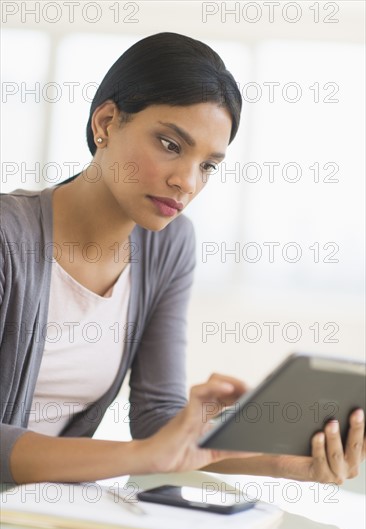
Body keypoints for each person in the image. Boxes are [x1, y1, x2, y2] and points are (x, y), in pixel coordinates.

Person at [1, 32, 364, 486]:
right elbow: (153, 449)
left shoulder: (168, 246)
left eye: (208, 165)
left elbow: (158, 422)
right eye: (171, 145)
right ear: (107, 122)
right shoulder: (7, 238)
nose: (187, 182)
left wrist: (282, 464)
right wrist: (143, 455)